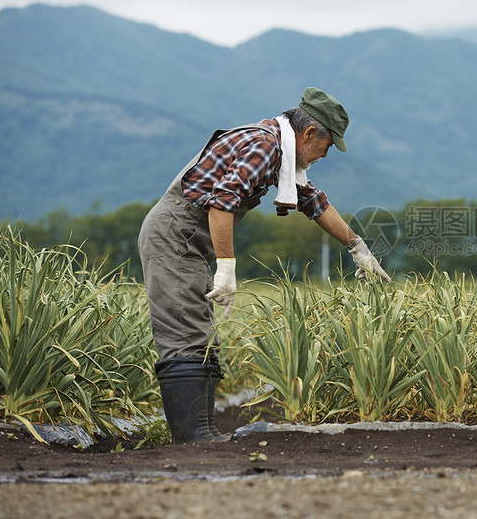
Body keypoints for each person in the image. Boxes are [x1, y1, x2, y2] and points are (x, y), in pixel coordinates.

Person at [138, 87, 390, 444]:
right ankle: (192, 437)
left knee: (200, 332)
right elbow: (222, 202)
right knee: (184, 331)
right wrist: (227, 267)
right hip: (174, 237)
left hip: (189, 240)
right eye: (327, 147)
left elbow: (313, 201)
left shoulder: (280, 151)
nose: (323, 155)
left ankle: (204, 431)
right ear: (308, 134)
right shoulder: (265, 146)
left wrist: (358, 247)